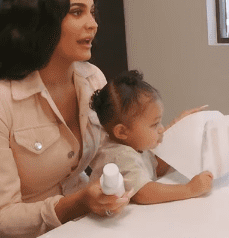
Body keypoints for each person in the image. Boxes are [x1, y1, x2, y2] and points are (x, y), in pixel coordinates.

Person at [0, 0, 132, 238]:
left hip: (82, 230)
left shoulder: (92, 78)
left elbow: (110, 153)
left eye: (92, 12)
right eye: (77, 12)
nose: (93, 24)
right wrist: (76, 204)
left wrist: (153, 141)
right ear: (40, 21)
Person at [89, 70, 214, 204]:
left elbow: (156, 170)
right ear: (122, 132)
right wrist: (190, 189)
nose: (161, 128)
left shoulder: (135, 145)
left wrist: (179, 133)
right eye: (154, 124)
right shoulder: (119, 156)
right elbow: (144, 193)